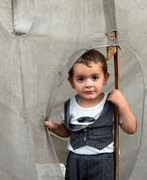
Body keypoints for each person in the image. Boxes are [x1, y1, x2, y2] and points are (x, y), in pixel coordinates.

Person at [44, 49, 137, 180]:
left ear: (105, 78)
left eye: (94, 77)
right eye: (81, 79)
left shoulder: (112, 103)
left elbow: (131, 128)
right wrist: (55, 128)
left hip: (103, 160)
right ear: (71, 81)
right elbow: (68, 132)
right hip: (76, 160)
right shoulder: (69, 106)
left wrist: (123, 105)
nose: (88, 84)